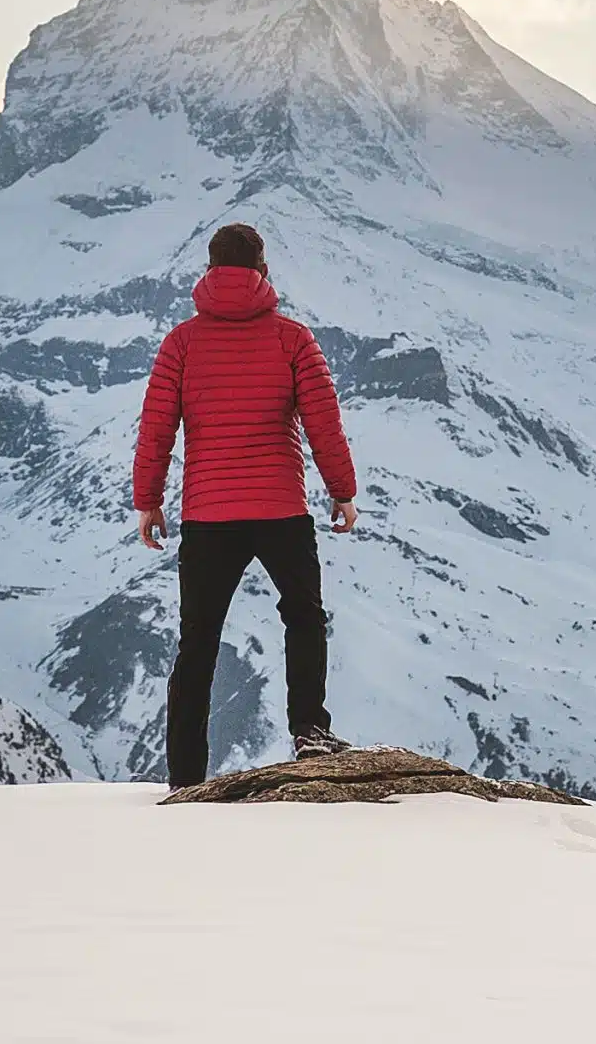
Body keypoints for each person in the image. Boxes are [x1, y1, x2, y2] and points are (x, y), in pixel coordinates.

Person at [133, 221, 359, 789]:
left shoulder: (181, 342)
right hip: (280, 508)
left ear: (208, 270)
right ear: (263, 270)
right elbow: (323, 423)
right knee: (303, 617)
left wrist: (149, 501)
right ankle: (310, 729)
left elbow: (157, 428)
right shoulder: (292, 338)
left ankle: (186, 776)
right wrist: (342, 491)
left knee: (198, 641)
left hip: (208, 516)